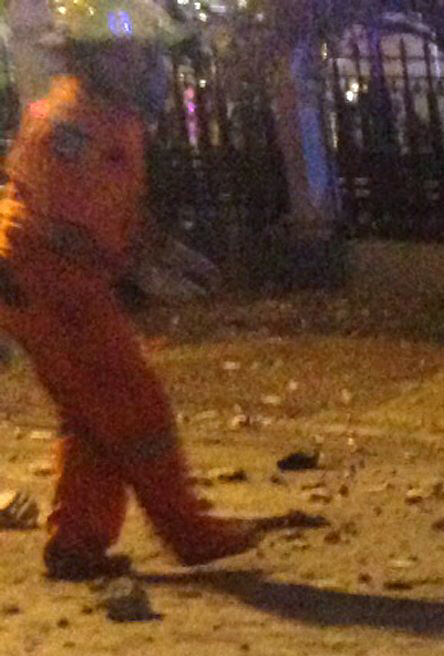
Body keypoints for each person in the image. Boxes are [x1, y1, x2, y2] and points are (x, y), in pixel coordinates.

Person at [0, 0, 291, 581]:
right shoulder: (77, 125)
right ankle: (189, 531)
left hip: (47, 279)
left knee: (95, 417)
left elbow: (103, 215)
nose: (147, 65)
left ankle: (78, 543)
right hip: (51, 283)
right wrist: (136, 269)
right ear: (97, 58)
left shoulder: (97, 116)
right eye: (134, 54)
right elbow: (68, 227)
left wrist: (147, 255)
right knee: (136, 410)